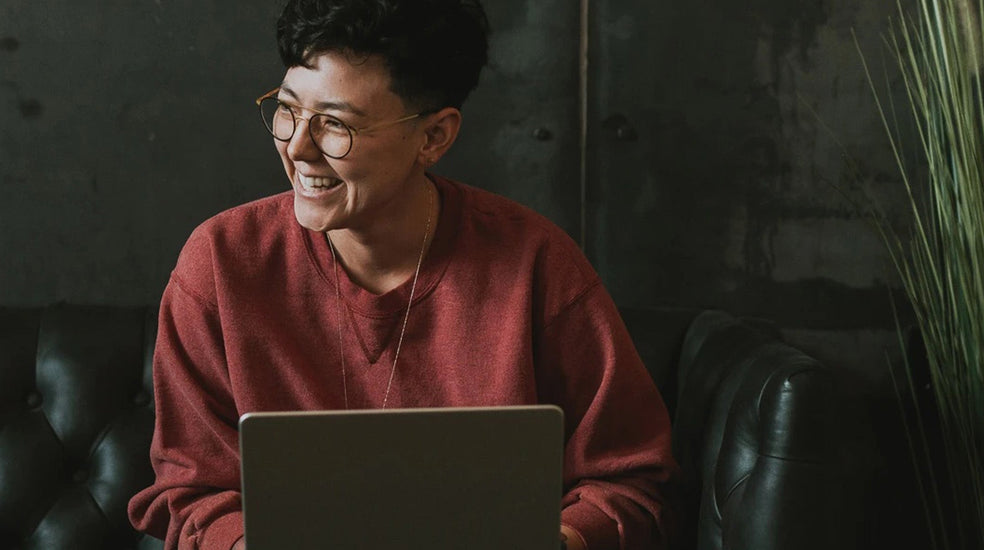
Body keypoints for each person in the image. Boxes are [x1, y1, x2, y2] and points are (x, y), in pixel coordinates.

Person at [127, 0, 678, 548]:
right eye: (287, 108)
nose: (297, 148)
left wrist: (556, 541)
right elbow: (191, 490)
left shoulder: (537, 265)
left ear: (433, 137)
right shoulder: (222, 264)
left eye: (336, 125)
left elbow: (629, 479)